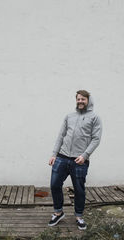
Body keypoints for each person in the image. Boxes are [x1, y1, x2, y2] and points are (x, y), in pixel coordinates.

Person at [48, 90, 102, 230]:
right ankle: (58, 212)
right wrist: (54, 154)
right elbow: (61, 136)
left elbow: (96, 139)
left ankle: (79, 216)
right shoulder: (69, 116)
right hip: (62, 156)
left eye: (83, 99)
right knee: (54, 185)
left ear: (89, 101)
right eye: (78, 99)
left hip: (79, 160)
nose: (80, 101)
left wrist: (85, 155)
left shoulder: (94, 118)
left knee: (79, 189)